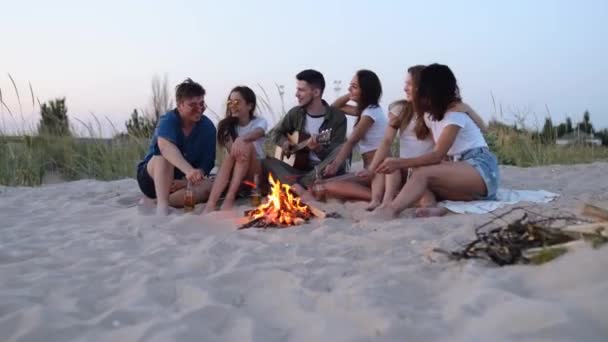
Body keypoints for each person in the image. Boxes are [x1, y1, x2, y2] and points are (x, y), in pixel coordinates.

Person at [371, 64, 500, 218]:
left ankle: (390, 210)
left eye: (416, 85)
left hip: (480, 169)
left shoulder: (455, 114)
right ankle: (432, 208)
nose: (408, 88)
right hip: (460, 173)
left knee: (422, 174)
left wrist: (399, 162)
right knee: (417, 181)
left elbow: (437, 154)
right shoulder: (429, 116)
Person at [136, 78, 216, 215]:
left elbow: (206, 164)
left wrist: (186, 181)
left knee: (211, 187)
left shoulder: (208, 127)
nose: (199, 109)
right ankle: (162, 207)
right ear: (180, 105)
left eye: (202, 103)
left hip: (184, 182)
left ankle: (155, 202)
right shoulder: (169, 120)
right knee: (164, 156)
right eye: (193, 105)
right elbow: (165, 148)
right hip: (153, 178)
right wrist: (189, 171)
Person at [263, 69, 347, 193]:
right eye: (297, 89)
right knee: (266, 162)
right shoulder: (296, 113)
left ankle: (298, 184)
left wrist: (318, 149)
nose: (296, 94)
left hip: (322, 168)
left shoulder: (338, 118)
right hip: (297, 168)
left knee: (342, 149)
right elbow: (275, 133)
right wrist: (285, 143)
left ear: (316, 92)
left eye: (301, 90)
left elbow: (336, 156)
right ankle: (303, 184)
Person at [311, 69, 387, 202]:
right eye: (350, 85)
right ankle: (375, 194)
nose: (349, 88)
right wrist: (352, 93)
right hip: (369, 167)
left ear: (366, 90)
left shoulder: (370, 114)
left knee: (323, 186)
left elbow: (351, 142)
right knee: (320, 185)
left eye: (354, 86)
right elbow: (334, 107)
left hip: (377, 168)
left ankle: (378, 197)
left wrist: (335, 165)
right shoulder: (365, 110)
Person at [204, 86, 268, 213]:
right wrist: (239, 142)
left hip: (255, 173)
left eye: (237, 102)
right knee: (234, 153)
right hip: (236, 172)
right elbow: (235, 153)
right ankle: (211, 204)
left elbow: (258, 132)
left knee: (247, 145)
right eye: (230, 102)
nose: (232, 106)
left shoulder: (259, 122)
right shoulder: (226, 126)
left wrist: (242, 139)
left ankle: (230, 197)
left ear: (249, 106)